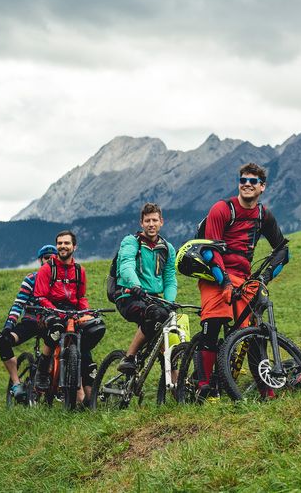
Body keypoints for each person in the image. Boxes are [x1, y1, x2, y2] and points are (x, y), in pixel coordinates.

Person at [193, 162, 286, 398]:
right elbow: (208, 251)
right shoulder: (222, 209)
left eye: (253, 181)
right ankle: (203, 387)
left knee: (252, 333)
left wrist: (264, 278)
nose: (246, 184)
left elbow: (283, 251)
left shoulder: (264, 215)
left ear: (262, 187)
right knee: (213, 322)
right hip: (215, 275)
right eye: (243, 180)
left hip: (243, 280)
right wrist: (223, 282)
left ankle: (266, 390)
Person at [33, 230, 106, 406]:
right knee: (56, 329)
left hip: (73, 311)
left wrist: (86, 313)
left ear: (74, 246)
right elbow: (40, 296)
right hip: (49, 310)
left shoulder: (80, 271)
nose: (62, 246)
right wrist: (54, 311)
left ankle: (87, 389)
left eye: (66, 243)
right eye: (60, 243)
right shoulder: (47, 268)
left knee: (93, 331)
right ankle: (42, 372)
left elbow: (81, 297)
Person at [112, 202, 178, 375]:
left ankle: (177, 387)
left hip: (153, 298)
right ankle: (129, 357)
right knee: (156, 315)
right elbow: (126, 266)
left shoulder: (167, 248)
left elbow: (170, 277)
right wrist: (136, 286)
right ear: (141, 223)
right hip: (128, 294)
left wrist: (170, 301)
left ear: (161, 222)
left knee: (166, 340)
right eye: (147, 220)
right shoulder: (131, 241)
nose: (151, 224)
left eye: (154, 220)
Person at [0, 244, 54, 400]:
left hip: (51, 323)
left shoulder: (60, 280)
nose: (50, 260)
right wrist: (9, 326)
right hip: (31, 323)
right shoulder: (31, 279)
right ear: (40, 260)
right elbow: (18, 304)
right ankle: (16, 383)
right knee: (3, 341)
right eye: (46, 257)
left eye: (54, 257)